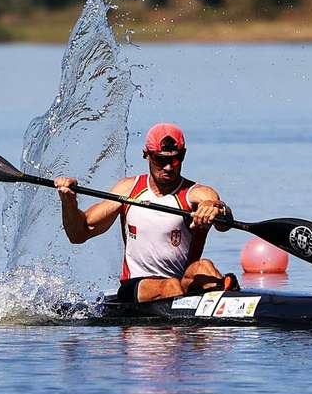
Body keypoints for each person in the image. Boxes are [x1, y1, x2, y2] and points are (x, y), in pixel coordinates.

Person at [54, 123, 240, 303]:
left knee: (204, 267)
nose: (168, 167)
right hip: (135, 286)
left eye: (175, 159)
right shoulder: (127, 190)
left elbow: (222, 220)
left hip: (181, 283)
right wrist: (68, 201)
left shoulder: (197, 193)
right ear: (147, 155)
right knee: (170, 286)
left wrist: (215, 208)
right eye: (161, 160)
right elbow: (79, 233)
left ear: (183, 155)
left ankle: (225, 294)